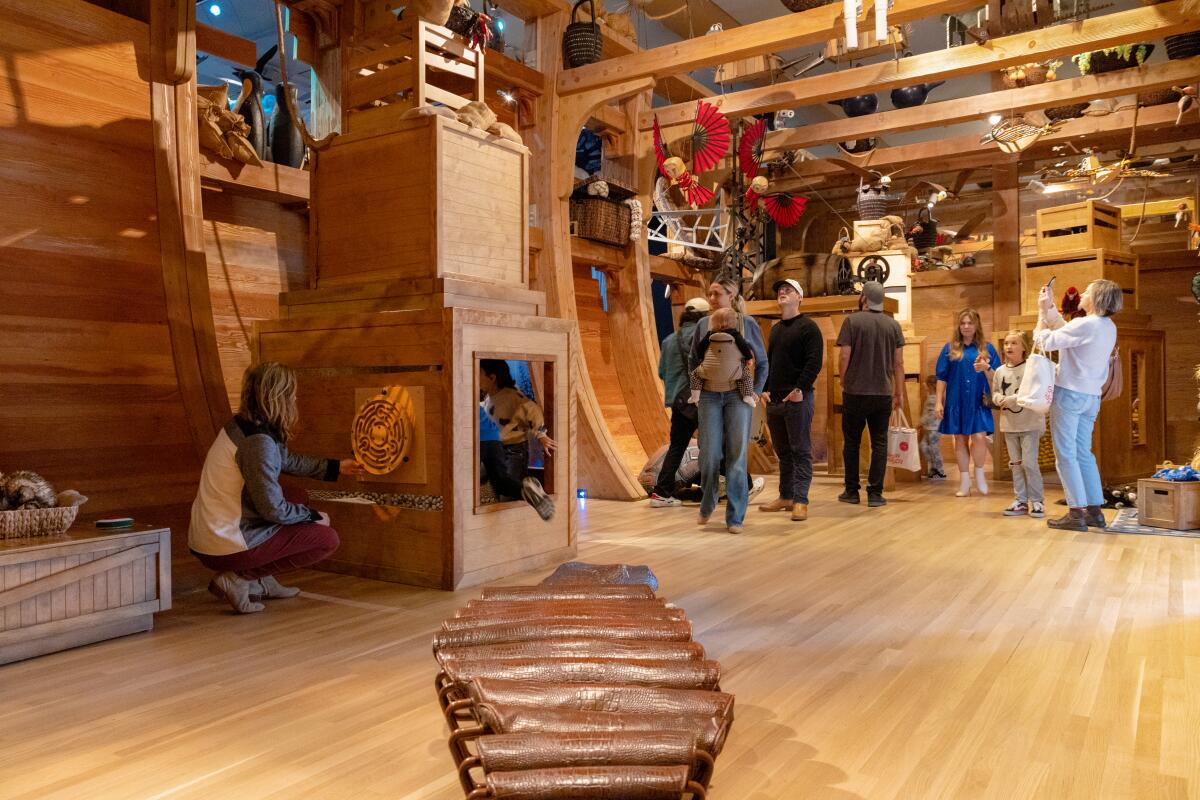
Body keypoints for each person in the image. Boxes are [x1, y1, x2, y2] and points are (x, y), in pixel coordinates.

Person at [189, 362, 364, 614]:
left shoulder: (244, 425)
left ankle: (261, 579)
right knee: (326, 539)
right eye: (291, 393)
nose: (295, 398)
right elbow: (273, 510)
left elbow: (285, 460)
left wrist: (336, 468)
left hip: (212, 534)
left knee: (297, 496)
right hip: (225, 542)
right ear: (278, 398)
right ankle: (240, 578)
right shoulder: (258, 443)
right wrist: (313, 517)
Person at [1034, 279, 1122, 531]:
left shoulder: (1086, 324)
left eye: (1087, 291)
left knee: (1065, 455)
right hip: (1091, 397)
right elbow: (1068, 332)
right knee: (1083, 453)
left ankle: (1075, 512)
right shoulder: (1107, 326)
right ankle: (1094, 510)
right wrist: (1050, 307)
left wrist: (1042, 313)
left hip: (1070, 394)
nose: (1082, 293)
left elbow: (1044, 341)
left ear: (1097, 298)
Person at [689, 276, 769, 534]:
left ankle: (735, 516)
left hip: (738, 396)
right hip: (710, 396)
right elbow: (693, 359)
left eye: (717, 294)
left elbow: (762, 362)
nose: (711, 299)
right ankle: (709, 498)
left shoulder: (747, 324)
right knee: (709, 453)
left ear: (731, 296)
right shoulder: (703, 324)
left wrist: (754, 392)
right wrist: (697, 389)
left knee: (737, 455)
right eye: (709, 294)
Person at [835, 281, 906, 507]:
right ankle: (875, 493)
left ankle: (851, 491)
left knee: (852, 442)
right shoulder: (892, 326)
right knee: (880, 443)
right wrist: (899, 393)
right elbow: (899, 363)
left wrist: (844, 380)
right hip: (883, 393)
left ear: (864, 298)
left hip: (855, 392)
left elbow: (844, 356)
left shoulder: (851, 322)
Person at [758, 278, 823, 522]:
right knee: (782, 451)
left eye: (789, 289)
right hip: (774, 400)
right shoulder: (775, 329)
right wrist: (764, 387)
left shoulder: (809, 327)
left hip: (797, 399)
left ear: (800, 297)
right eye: (780, 290)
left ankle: (800, 500)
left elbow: (814, 362)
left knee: (800, 450)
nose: (782, 292)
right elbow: (770, 362)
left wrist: (800, 389)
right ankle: (785, 496)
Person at [479, 359, 558, 521]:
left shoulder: (512, 395)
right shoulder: (489, 397)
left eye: (478, 374)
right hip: (496, 447)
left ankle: (526, 493)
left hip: (513, 450)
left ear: (492, 377)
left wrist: (541, 434)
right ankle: (525, 490)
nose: (475, 377)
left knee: (507, 489)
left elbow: (532, 410)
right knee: (499, 483)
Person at [935, 307, 1001, 497]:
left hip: (978, 400)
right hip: (956, 399)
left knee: (980, 437)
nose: (966, 326)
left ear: (976, 325)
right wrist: (939, 402)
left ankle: (979, 474)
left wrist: (986, 367)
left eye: (969, 322)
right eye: (962, 323)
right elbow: (941, 377)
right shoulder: (949, 348)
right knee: (960, 439)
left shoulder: (987, 348)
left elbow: (997, 376)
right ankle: (964, 482)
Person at [649, 296, 709, 507]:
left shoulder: (669, 340)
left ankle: (661, 492)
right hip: (702, 400)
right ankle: (728, 487)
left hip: (679, 402)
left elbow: (661, 372)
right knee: (716, 443)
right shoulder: (705, 337)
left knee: (677, 447)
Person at [992, 330, 1046, 518]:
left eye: (1014, 343)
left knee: (1029, 463)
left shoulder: (1031, 368)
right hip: (1009, 425)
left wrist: (1012, 399)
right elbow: (996, 391)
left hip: (1029, 424)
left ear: (1023, 347)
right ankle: (1020, 501)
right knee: (1015, 464)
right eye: (1006, 343)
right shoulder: (999, 371)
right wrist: (999, 398)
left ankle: (1037, 501)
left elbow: (1032, 392)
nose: (1008, 347)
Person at [689, 307, 756, 407]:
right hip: (733, 373)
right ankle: (747, 395)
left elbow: (700, 348)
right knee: (746, 375)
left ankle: (695, 395)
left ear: (717, 323)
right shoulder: (735, 334)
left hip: (709, 372)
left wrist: (701, 358)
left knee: (695, 375)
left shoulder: (710, 334)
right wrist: (749, 358)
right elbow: (743, 347)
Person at [919, 374, 946, 480]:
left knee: (934, 448)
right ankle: (934, 467)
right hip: (931, 428)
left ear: (929, 385)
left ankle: (939, 470)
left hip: (934, 428)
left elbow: (929, 415)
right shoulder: (932, 398)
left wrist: (920, 423)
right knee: (924, 446)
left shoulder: (933, 399)